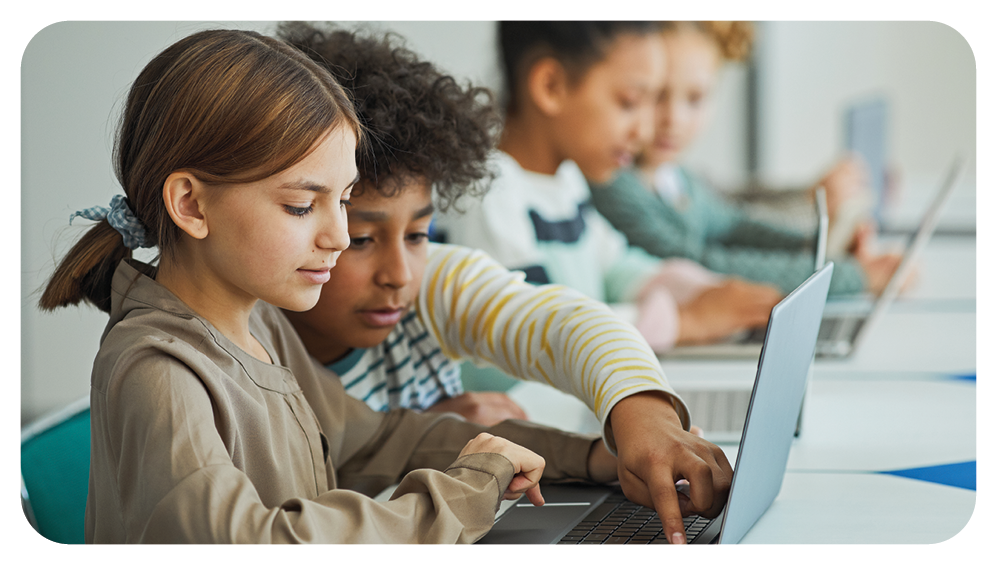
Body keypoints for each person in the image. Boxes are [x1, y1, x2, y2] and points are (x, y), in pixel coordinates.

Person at [38, 28, 634, 544]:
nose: (340, 236)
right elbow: (249, 542)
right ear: (191, 204)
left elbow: (373, 442)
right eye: (302, 206)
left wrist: (587, 458)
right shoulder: (160, 372)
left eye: (344, 201)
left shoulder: (259, 325)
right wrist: (463, 492)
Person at [277, 23, 731, 544]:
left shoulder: (434, 282)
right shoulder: (261, 347)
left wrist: (643, 418)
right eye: (360, 240)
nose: (399, 274)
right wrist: (424, 436)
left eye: (420, 233)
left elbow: (563, 324)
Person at [435, 21, 783, 354]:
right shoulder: (488, 192)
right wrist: (681, 322)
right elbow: (534, 334)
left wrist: (706, 290)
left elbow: (618, 267)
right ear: (550, 86)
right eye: (629, 102)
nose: (645, 132)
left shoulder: (566, 182)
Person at [589, 21, 904, 296]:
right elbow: (703, 266)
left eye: (696, 99)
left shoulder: (676, 177)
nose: (674, 119)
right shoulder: (612, 183)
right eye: (657, 95)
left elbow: (734, 225)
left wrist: (815, 248)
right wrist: (854, 277)